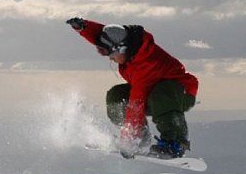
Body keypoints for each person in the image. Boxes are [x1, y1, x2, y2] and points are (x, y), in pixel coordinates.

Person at [67, 17, 199, 159]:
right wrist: (84, 27)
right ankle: (140, 137)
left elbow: (136, 103)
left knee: (160, 95)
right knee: (116, 96)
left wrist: (129, 140)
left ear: (122, 49)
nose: (110, 58)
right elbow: (104, 33)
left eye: (111, 54)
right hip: (153, 91)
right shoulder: (127, 46)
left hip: (180, 93)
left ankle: (175, 143)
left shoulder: (144, 64)